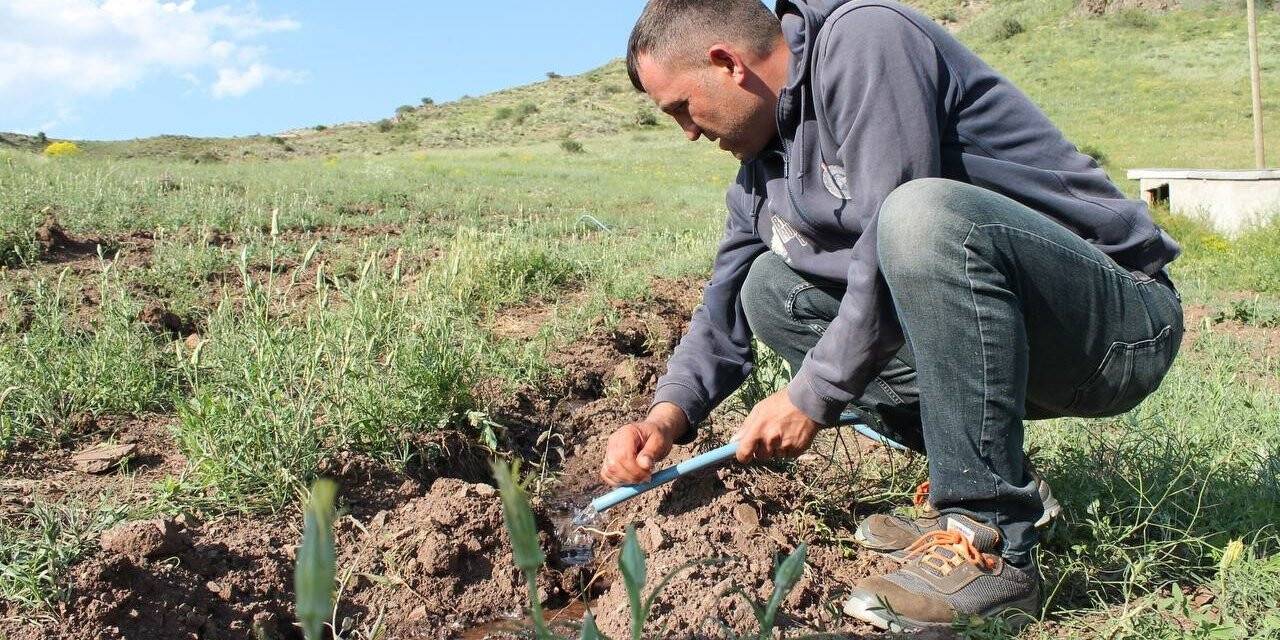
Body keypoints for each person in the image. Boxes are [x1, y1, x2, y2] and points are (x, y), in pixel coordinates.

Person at [598, 0, 1184, 631]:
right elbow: (722, 312)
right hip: (1013, 343)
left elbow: (892, 233)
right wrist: (665, 417)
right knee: (769, 289)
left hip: (1113, 325)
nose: (688, 132)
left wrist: (812, 392)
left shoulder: (863, 41)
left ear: (727, 63)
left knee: (918, 217)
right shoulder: (759, 179)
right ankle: (987, 483)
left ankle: (990, 541)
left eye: (682, 108)